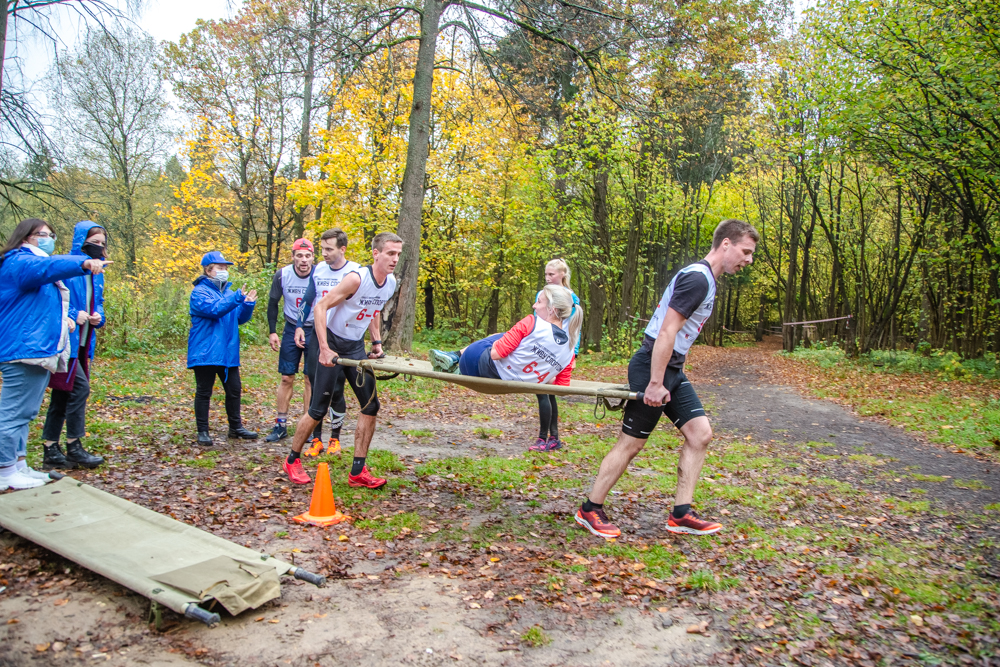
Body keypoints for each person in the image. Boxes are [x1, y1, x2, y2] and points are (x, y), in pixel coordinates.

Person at [574, 219, 759, 539]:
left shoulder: (707, 280)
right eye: (745, 251)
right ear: (725, 244)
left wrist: (667, 377)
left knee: (700, 434)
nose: (749, 259)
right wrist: (656, 383)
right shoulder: (698, 279)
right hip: (652, 368)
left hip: (671, 369)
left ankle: (682, 513)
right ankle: (590, 509)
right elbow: (667, 331)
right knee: (631, 444)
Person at [281, 232, 401, 488]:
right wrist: (323, 348)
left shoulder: (390, 282)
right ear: (376, 254)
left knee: (370, 405)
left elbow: (374, 309)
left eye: (398, 254)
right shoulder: (356, 278)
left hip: (355, 347)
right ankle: (292, 460)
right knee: (318, 409)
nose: (395, 259)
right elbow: (320, 306)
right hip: (330, 343)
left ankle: (358, 472)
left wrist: (377, 342)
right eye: (391, 253)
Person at [0, 218, 109, 490]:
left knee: (25, 412)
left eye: (50, 234)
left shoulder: (33, 264)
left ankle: (19, 465)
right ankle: (4, 471)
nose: (46, 238)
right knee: (13, 413)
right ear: (24, 237)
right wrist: (81, 263)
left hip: (41, 349)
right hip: (23, 348)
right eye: (41, 234)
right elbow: (45, 268)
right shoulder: (19, 261)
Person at [41, 221, 108, 470]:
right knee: (79, 389)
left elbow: (97, 301)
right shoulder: (69, 266)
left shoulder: (98, 272)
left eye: (102, 243)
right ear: (82, 240)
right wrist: (74, 312)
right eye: (94, 242)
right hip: (65, 339)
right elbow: (54, 297)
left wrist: (98, 315)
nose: (98, 247)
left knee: (63, 393)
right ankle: (74, 445)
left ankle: (51, 447)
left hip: (83, 341)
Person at [429, 285, 582, 395]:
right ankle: (454, 361)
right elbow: (561, 389)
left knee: (501, 336)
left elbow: (496, 354)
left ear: (552, 309)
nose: (534, 306)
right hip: (506, 383)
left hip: (475, 365)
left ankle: (454, 357)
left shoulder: (532, 323)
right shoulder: (570, 350)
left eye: (539, 302)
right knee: (513, 340)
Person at [293, 229, 361, 456]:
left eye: (329, 249)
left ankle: (335, 439)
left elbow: (368, 308)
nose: (323, 253)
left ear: (342, 249)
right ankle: (316, 440)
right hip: (319, 338)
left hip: (342, 338)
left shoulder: (355, 272)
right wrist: (300, 325)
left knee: (337, 390)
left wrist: (375, 340)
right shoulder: (318, 269)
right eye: (322, 249)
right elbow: (308, 299)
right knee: (315, 389)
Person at [188, 251, 258, 446]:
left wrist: (248, 305)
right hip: (206, 351)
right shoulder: (199, 292)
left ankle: (235, 428)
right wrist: (237, 298)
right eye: (220, 268)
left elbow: (239, 318)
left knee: (234, 390)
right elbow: (215, 309)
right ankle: (203, 431)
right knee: (204, 391)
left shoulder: (228, 293)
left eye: (225, 268)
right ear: (208, 270)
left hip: (227, 352)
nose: (224, 271)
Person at [264, 238, 319, 443]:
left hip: (314, 328)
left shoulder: (319, 275)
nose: (304, 260)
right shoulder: (283, 274)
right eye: (299, 256)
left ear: (313, 257)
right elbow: (273, 303)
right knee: (287, 377)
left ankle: (308, 426)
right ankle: (280, 424)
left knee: (309, 378)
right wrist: (272, 331)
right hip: (290, 327)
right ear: (293, 257)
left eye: (308, 256)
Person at [532, 259, 580, 452]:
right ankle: (553, 438)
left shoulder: (570, 297)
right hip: (540, 348)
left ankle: (545, 438)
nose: (548, 278)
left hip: (559, 350)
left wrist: (573, 354)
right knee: (545, 392)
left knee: (545, 391)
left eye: (551, 274)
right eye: (546, 274)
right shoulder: (542, 294)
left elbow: (576, 327)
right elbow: (536, 323)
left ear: (563, 275)